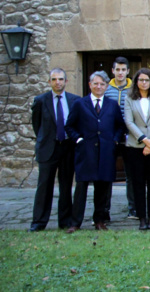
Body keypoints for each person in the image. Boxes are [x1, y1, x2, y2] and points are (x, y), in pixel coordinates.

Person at [64, 71, 126, 233]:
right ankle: (75, 222)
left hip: (106, 152)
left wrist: (114, 140)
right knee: (81, 187)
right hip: (86, 152)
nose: (99, 87)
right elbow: (70, 126)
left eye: (102, 84)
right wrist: (78, 140)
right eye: (96, 84)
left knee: (102, 188)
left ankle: (99, 220)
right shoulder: (80, 103)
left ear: (106, 86)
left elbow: (120, 125)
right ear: (90, 84)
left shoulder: (112, 105)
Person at [29, 69, 81, 232]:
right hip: (48, 148)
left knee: (66, 186)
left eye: (60, 79)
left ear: (66, 81)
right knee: (44, 185)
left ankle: (64, 220)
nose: (57, 82)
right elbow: (37, 125)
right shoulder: (40, 101)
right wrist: (44, 141)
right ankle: (39, 222)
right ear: (49, 82)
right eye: (54, 79)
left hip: (67, 147)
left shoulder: (74, 100)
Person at [123, 68, 150, 230]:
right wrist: (144, 140)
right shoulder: (129, 99)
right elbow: (129, 122)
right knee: (138, 183)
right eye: (140, 80)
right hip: (136, 147)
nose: (143, 83)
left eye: (146, 80)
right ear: (136, 82)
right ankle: (141, 217)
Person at [103, 56, 134, 220]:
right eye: (117, 70)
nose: (120, 73)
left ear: (128, 71)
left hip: (130, 137)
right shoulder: (106, 89)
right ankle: (104, 210)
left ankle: (133, 208)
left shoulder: (134, 89)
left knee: (131, 175)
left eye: (123, 70)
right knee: (107, 174)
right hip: (111, 137)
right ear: (113, 71)